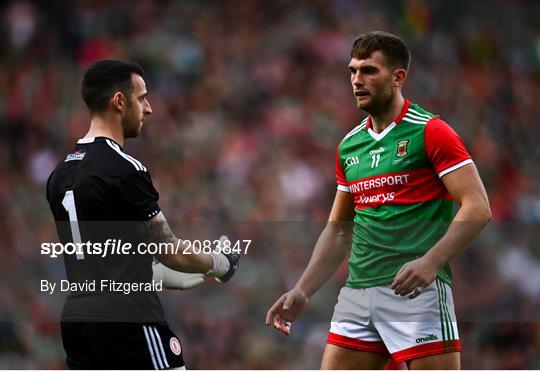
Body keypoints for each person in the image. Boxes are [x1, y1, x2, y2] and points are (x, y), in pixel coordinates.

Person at [266, 31, 491, 369]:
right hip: (359, 294)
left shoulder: (430, 131)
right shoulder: (350, 145)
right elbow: (340, 230)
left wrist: (430, 262)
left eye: (369, 70)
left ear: (398, 77)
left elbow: (478, 206)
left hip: (416, 294)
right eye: (353, 71)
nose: (357, 79)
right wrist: (303, 289)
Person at [46, 59, 239, 369]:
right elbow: (169, 250)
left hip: (78, 324)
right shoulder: (123, 168)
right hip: (129, 322)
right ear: (119, 101)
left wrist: (154, 276)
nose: (148, 108)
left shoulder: (60, 172)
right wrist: (219, 263)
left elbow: (102, 261)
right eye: (142, 98)